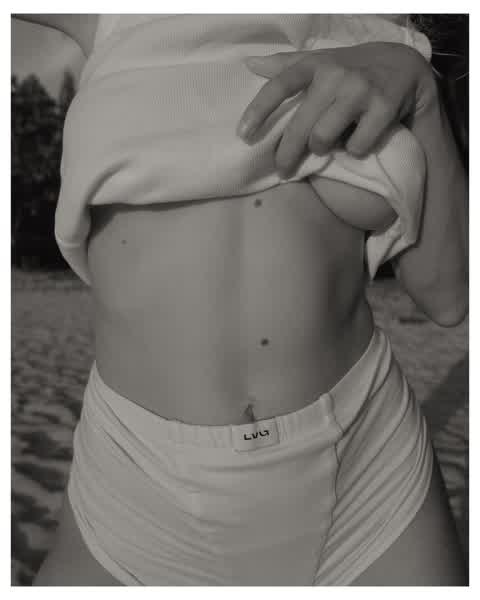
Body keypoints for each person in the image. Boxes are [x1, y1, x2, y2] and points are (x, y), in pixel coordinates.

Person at [13, 13, 467, 586]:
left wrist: (422, 93)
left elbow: (449, 296)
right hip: (137, 484)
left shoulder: (382, 29)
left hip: (369, 468)